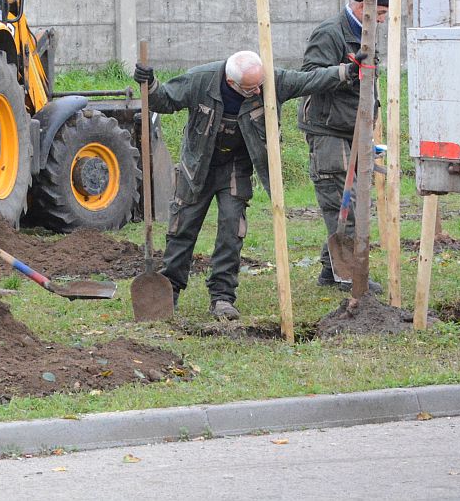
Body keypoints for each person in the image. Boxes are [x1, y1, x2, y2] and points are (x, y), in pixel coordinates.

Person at [134, 49, 357, 320]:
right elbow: (164, 100)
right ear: (231, 83)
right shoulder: (200, 80)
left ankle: (222, 297)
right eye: (251, 89)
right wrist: (150, 83)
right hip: (197, 168)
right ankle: (169, 293)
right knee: (182, 229)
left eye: (259, 86)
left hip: (236, 169)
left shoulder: (269, 82)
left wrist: (345, 72)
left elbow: (308, 80)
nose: (257, 92)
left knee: (231, 229)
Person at [300, 0, 388, 292]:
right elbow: (308, 77)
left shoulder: (363, 34)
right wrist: (347, 69)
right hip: (328, 133)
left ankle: (330, 270)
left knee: (354, 202)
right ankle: (349, 277)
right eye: (378, 13)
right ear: (361, 7)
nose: (381, 21)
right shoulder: (330, 33)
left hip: (352, 131)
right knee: (342, 204)